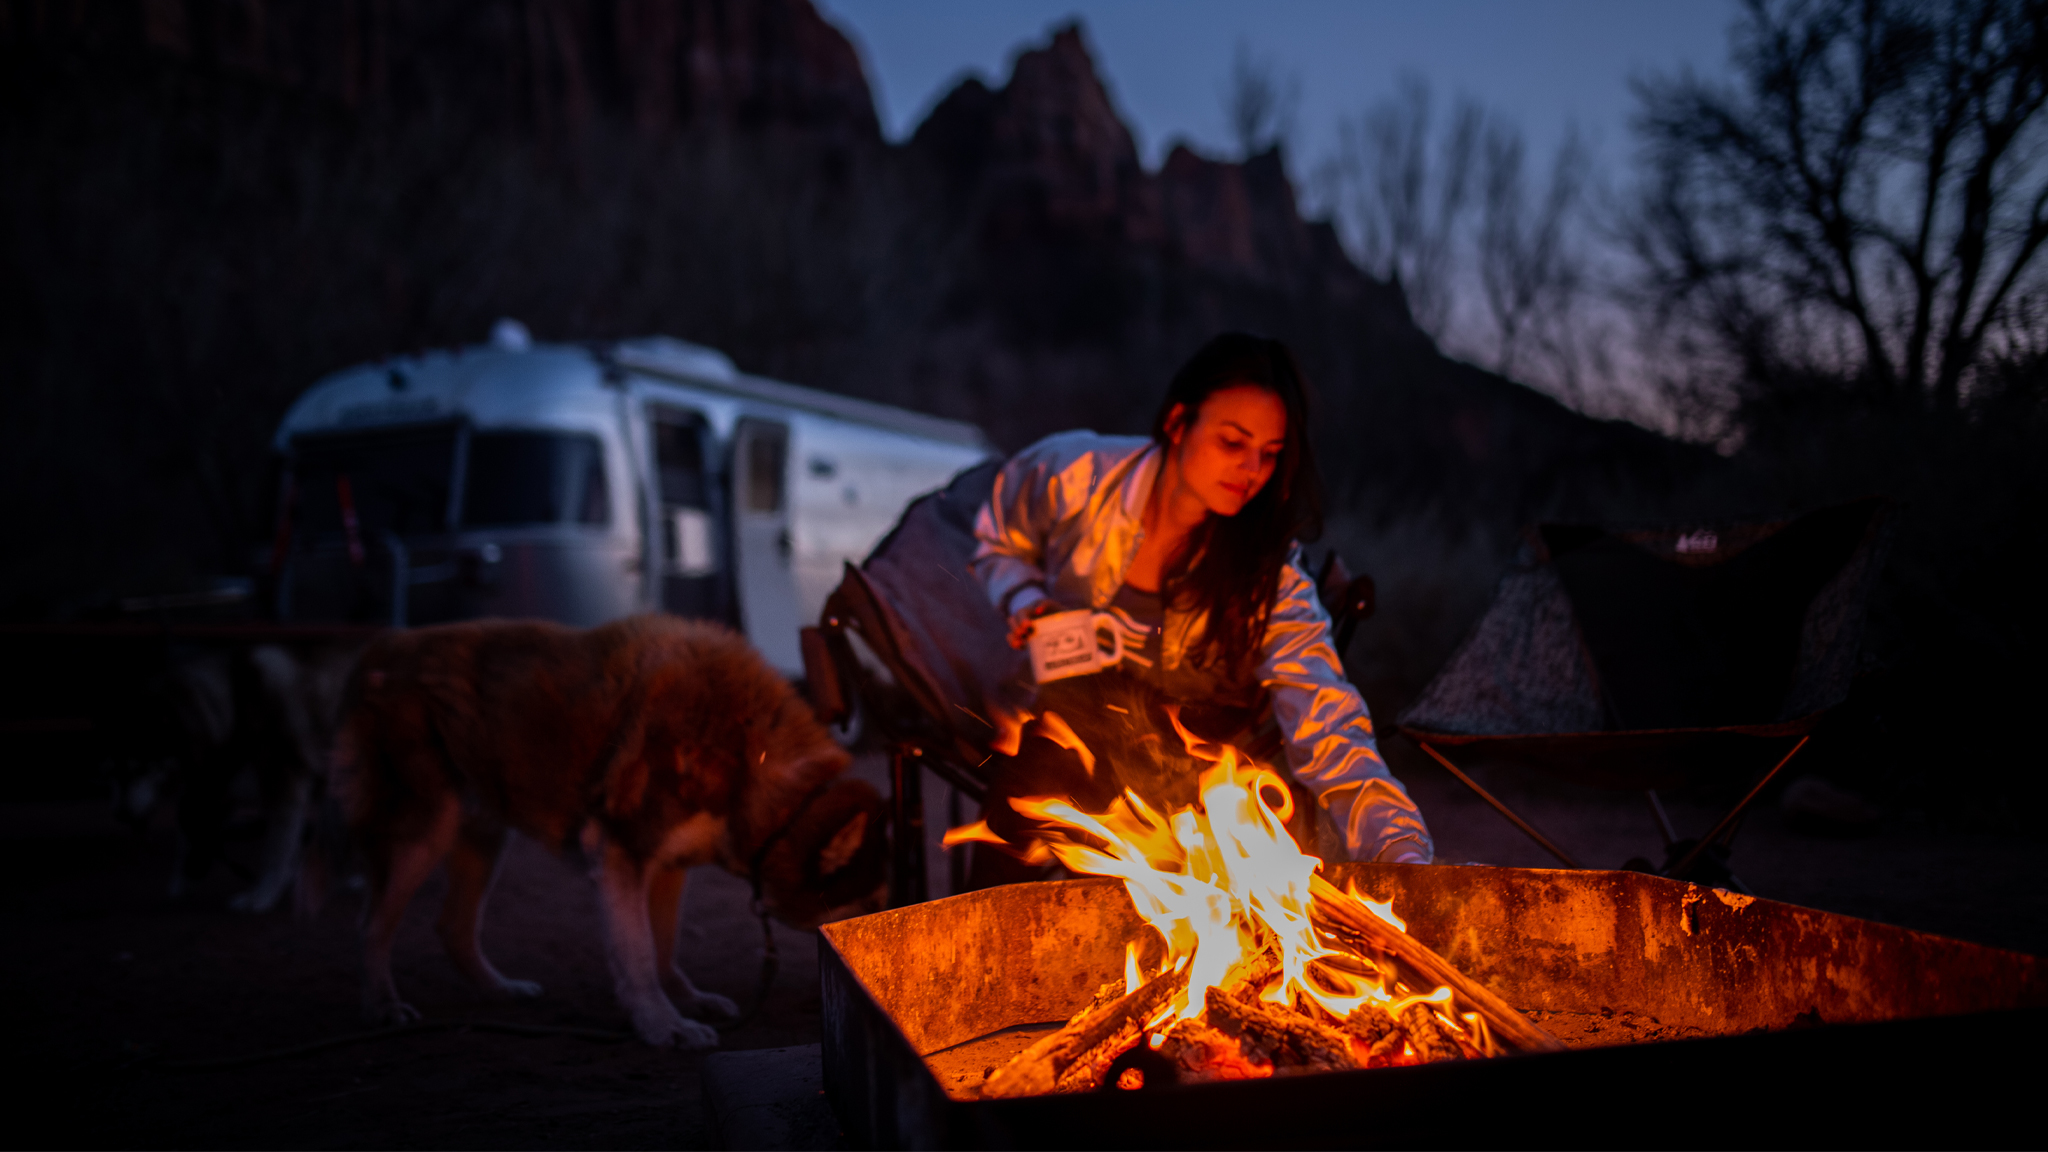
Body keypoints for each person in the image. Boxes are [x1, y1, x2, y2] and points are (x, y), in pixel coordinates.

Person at [966, 332, 1431, 886]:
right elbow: (999, 542)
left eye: (1270, 454)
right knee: (1028, 777)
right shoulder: (1073, 476)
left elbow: (1326, 718)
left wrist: (1402, 850)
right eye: (1232, 442)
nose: (1250, 471)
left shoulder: (1268, 573)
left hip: (1191, 758)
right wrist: (1025, 599)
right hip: (1069, 721)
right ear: (1178, 422)